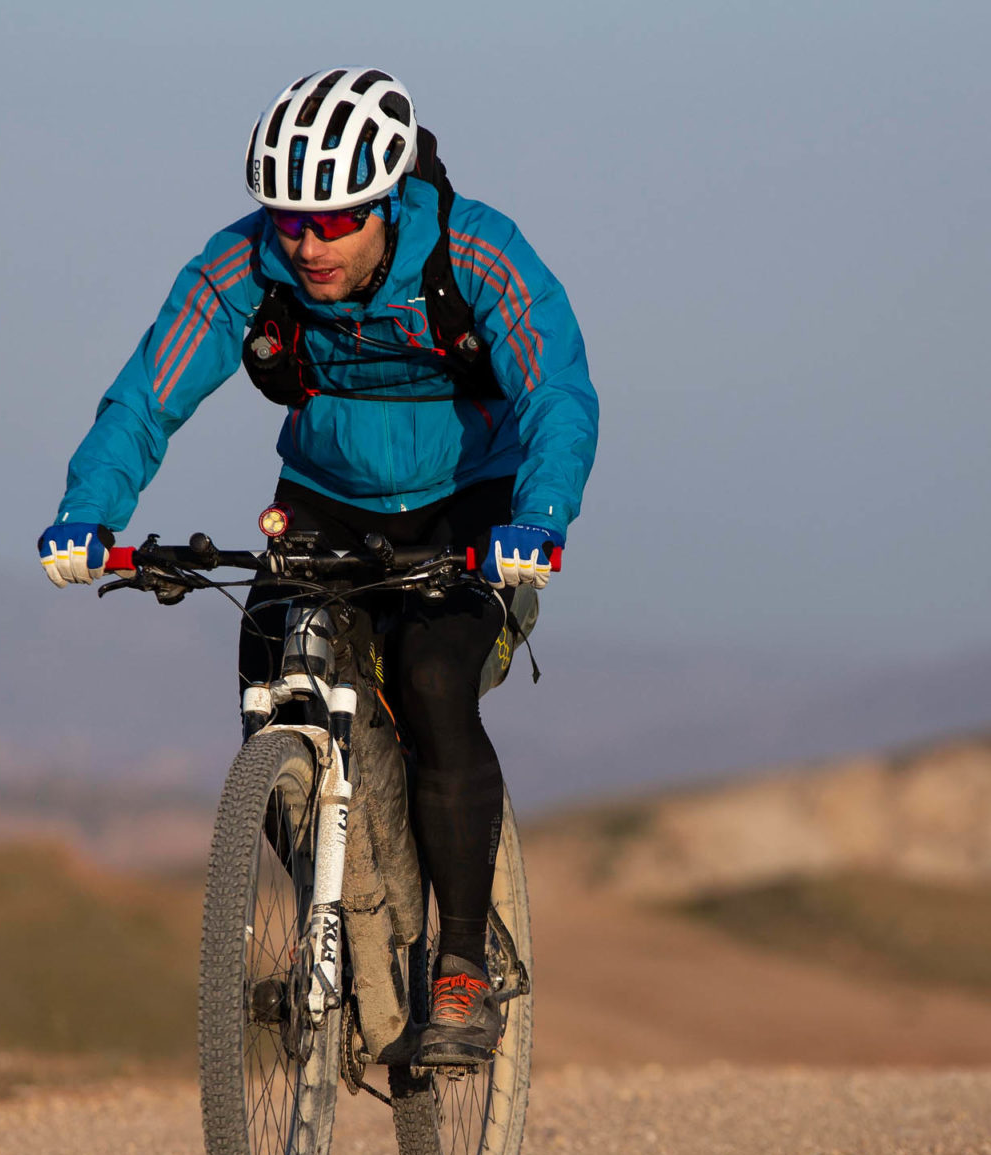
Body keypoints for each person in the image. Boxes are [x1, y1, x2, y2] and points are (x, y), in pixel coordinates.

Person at [36, 68, 599, 1063]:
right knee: (272, 673)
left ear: (384, 204)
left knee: (431, 682)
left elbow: (555, 390)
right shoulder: (243, 266)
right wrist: (88, 512)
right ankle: (352, 920)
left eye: (333, 223)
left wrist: (539, 519)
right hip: (326, 500)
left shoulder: (476, 254)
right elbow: (145, 397)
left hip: (473, 505)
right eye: (290, 221)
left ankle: (463, 964)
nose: (307, 245)